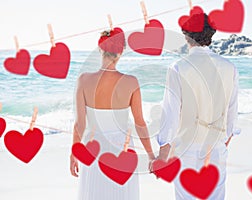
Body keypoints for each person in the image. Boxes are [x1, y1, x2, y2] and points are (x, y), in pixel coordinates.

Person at [155, 13, 240, 199]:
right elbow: (232, 111)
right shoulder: (229, 67)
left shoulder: (178, 68)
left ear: (186, 36)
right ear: (210, 35)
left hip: (186, 148)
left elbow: (171, 114)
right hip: (216, 146)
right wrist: (224, 139)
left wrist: (163, 153)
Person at [70, 28, 155, 200]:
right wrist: (151, 155)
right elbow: (140, 123)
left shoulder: (84, 80)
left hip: (93, 147)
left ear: (100, 49)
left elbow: (80, 124)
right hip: (122, 149)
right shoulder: (131, 82)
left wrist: (74, 153)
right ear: (121, 51)